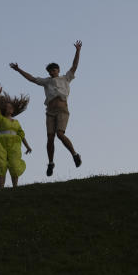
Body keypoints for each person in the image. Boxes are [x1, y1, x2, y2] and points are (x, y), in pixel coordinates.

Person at [10, 40, 82, 177]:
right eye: (50, 70)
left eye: (54, 69)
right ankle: (50, 163)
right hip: (50, 112)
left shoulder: (65, 78)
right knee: (50, 138)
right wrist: (19, 70)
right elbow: (31, 78)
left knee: (60, 134)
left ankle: (75, 154)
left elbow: (74, 66)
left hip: (62, 109)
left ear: (58, 70)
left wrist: (77, 51)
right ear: (48, 72)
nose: (52, 71)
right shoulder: (46, 82)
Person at [0, 83, 32, 188]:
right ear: (4, 109)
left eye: (11, 107)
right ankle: (2, 188)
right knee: (1, 164)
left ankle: (15, 187)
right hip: (1, 142)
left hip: (15, 144)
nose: (10, 108)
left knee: (14, 164)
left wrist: (27, 146)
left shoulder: (16, 122)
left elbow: (21, 135)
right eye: (8, 107)